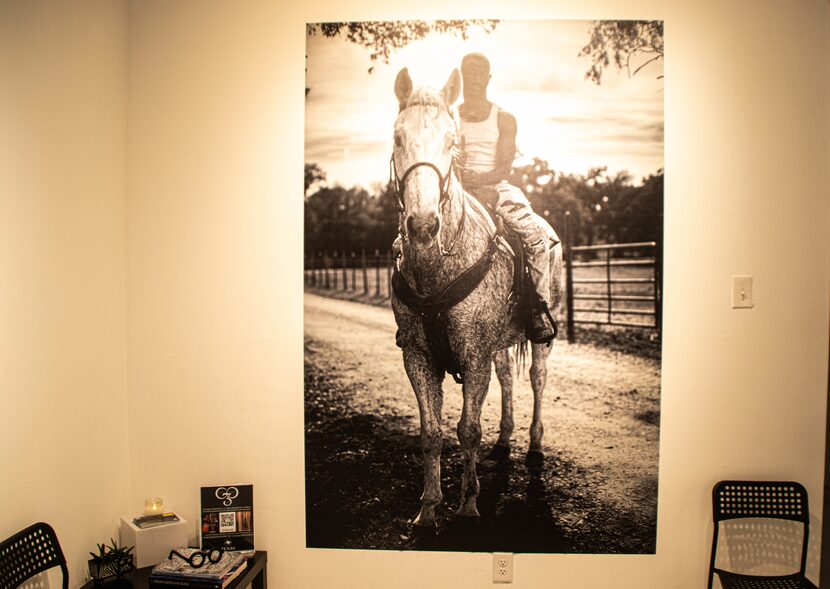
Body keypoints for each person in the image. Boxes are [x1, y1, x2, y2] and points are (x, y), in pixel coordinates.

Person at [457, 52, 556, 344]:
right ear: (461, 76)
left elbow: (503, 168)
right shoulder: (449, 117)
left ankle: (537, 308)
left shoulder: (503, 118)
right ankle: (411, 314)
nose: (473, 79)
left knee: (535, 236)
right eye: (468, 72)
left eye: (479, 73)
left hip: (496, 188)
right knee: (409, 237)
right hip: (454, 190)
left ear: (488, 78)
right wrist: (458, 183)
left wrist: (475, 181)